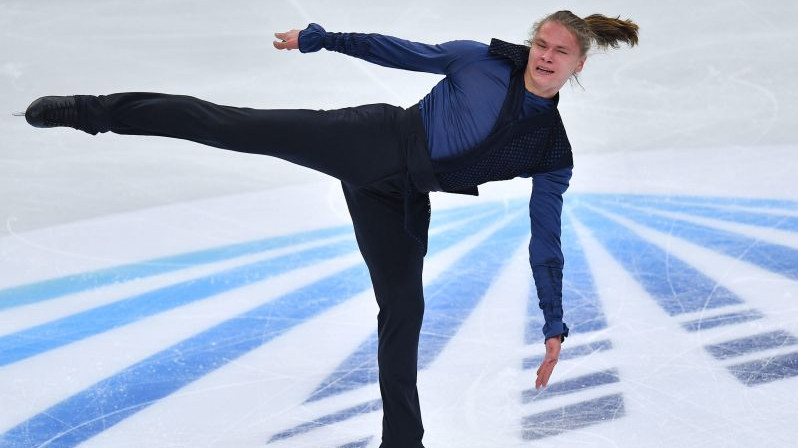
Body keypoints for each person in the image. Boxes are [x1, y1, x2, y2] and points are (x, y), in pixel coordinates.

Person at [22, 10, 638, 448]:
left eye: (560, 52)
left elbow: (546, 242)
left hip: (398, 199)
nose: (546, 57)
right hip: (371, 139)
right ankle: (91, 112)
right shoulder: (481, 61)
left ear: (579, 65)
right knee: (238, 126)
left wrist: (554, 323)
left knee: (403, 312)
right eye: (542, 44)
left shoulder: (551, 151)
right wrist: (321, 40)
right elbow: (398, 50)